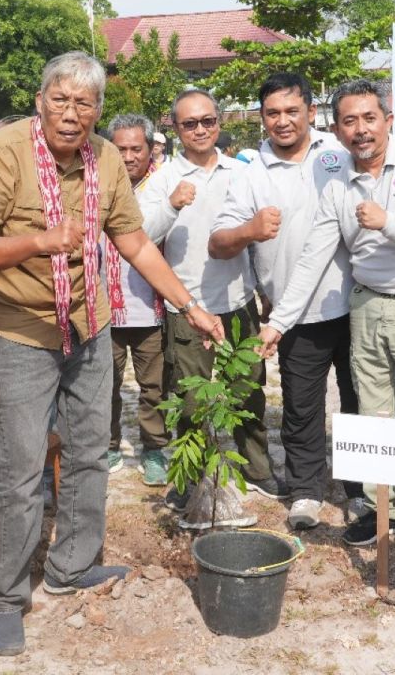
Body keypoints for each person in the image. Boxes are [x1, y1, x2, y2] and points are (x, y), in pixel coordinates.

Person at [0, 52, 222, 657]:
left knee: (88, 452)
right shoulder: (1, 153)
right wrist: (39, 241)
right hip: (19, 330)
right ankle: (4, 595)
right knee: (20, 474)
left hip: (88, 325)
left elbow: (132, 240)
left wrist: (189, 306)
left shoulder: (104, 157)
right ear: (40, 99)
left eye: (84, 103)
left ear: (98, 110)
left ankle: (72, 566)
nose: (71, 114)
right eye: (60, 100)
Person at [259, 79, 395, 566]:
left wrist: (387, 221)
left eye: (369, 118)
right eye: (349, 121)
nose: (361, 130)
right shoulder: (338, 182)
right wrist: (279, 322)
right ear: (337, 129)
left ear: (388, 120)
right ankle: (381, 509)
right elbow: (313, 258)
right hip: (367, 306)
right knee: (371, 417)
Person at [210, 72, 359, 531]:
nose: (283, 121)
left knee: (359, 401)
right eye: (272, 113)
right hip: (292, 317)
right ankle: (306, 490)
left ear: (312, 113)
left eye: (292, 111)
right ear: (262, 118)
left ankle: (359, 491)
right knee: (301, 407)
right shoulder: (250, 174)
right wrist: (248, 231)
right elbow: (218, 243)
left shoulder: (340, 157)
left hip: (353, 304)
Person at [140, 87, 282, 505]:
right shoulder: (163, 179)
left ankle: (257, 468)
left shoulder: (242, 172)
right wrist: (171, 205)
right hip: (187, 307)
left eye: (208, 121)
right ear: (175, 127)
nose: (200, 130)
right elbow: (141, 238)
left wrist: (266, 292)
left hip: (239, 299)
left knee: (249, 389)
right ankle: (190, 480)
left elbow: (259, 237)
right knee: (189, 400)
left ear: (219, 122)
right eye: (190, 123)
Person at [101, 113, 170, 483]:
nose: (128, 156)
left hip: (150, 310)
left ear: (150, 149)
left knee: (154, 387)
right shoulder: (92, 185)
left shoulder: (162, 188)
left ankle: (154, 448)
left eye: (135, 148)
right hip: (103, 312)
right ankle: (109, 445)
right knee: (103, 385)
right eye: (120, 148)